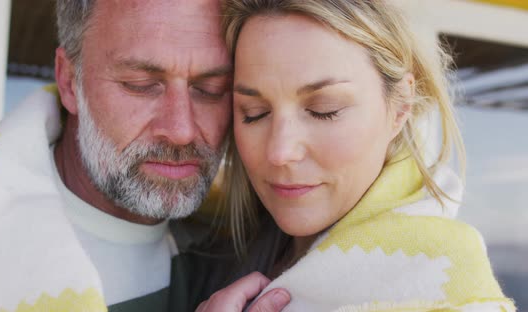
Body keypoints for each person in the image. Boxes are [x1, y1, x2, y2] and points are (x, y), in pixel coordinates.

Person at [0, 0, 288, 311]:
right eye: (140, 84)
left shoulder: (253, 248)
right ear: (68, 82)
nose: (181, 129)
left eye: (210, 90)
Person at [199, 0, 516, 311]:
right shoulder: (212, 253)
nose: (280, 152)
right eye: (254, 113)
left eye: (325, 111)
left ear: (400, 106)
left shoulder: (449, 290)